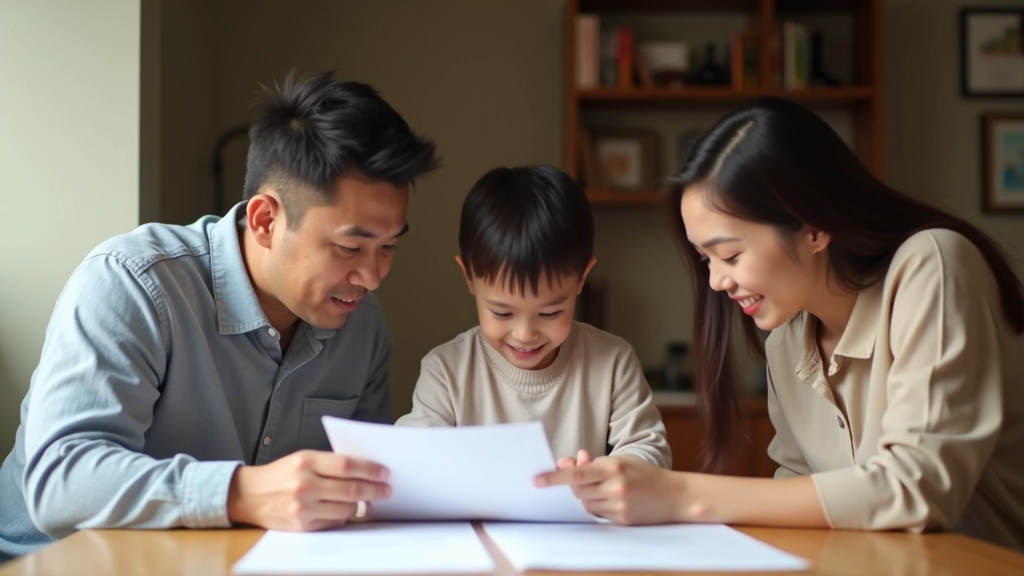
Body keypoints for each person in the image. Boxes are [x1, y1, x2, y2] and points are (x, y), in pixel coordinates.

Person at [534, 97, 1024, 550]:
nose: (716, 282)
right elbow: (796, 495)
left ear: (814, 228)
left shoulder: (932, 265)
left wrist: (679, 493)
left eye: (729, 254)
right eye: (705, 259)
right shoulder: (787, 341)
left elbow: (916, 488)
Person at [0, 71, 439, 561]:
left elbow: (365, 491)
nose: (373, 277)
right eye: (350, 247)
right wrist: (242, 492)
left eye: (388, 247)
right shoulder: (132, 283)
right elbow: (59, 482)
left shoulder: (362, 324)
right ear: (265, 220)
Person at [396, 166, 671, 475]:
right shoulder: (446, 371)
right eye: (502, 313)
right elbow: (412, 456)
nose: (525, 334)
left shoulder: (612, 362)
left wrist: (608, 474)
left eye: (549, 313)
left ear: (582, 278)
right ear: (469, 277)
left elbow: (649, 448)